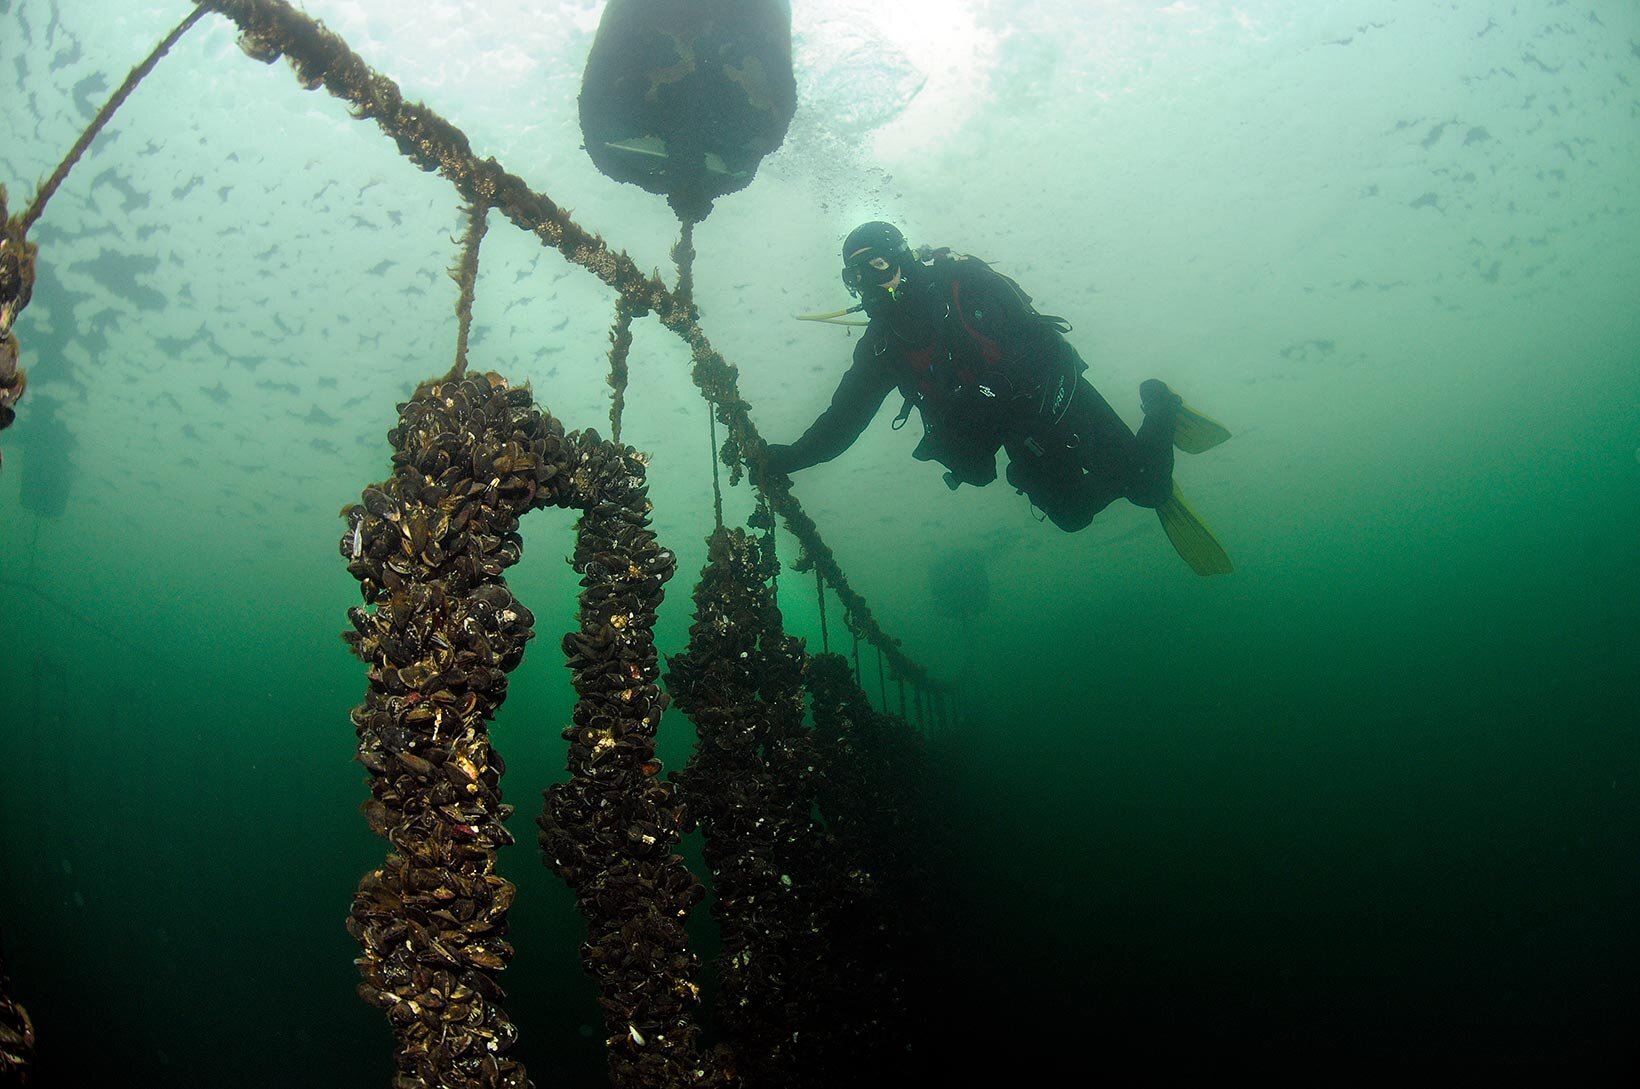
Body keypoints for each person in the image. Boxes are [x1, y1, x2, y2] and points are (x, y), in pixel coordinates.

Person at [761, 222, 1233, 575]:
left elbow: (1037, 341)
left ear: (902, 259)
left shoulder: (964, 288)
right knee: (1072, 517)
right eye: (857, 275)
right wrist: (791, 459)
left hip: (1054, 396)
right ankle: (1116, 472)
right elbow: (844, 418)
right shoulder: (885, 344)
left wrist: (997, 387)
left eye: (879, 265)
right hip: (1009, 428)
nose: (872, 282)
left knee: (1150, 489)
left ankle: (1160, 407)